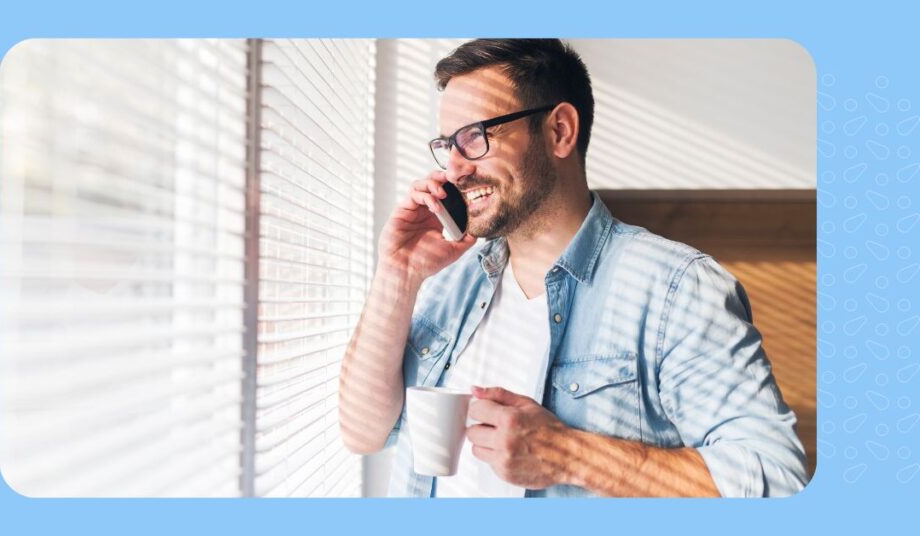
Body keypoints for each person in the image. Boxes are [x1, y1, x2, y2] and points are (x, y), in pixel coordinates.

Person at [338, 39, 808, 498]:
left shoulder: (676, 288)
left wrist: (568, 455)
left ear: (560, 130)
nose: (455, 169)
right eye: (447, 145)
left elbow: (776, 481)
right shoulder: (447, 282)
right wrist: (397, 274)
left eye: (475, 137)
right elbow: (363, 434)